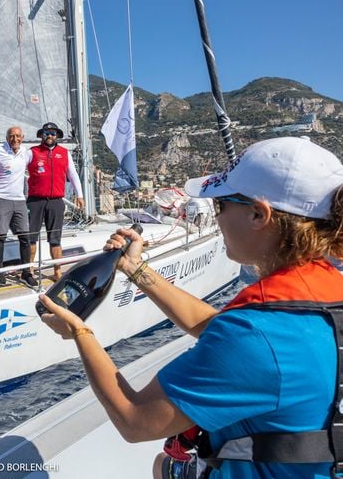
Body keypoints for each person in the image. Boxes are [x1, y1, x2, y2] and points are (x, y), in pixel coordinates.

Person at [39, 136, 343, 478]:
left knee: (161, 465)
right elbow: (215, 326)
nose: (217, 216)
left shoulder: (256, 333)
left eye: (221, 205)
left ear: (259, 214)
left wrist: (79, 332)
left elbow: (135, 420)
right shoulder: (317, 299)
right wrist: (135, 269)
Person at [27, 122, 84, 281]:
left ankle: (57, 271)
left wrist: (79, 195)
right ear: (42, 135)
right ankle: (29, 270)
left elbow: (73, 175)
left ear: (57, 135)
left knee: (55, 239)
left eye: (52, 133)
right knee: (31, 237)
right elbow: (17, 170)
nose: (50, 136)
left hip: (56, 201)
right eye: (46, 133)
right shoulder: (32, 152)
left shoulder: (64, 153)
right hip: (35, 201)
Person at [0, 126, 35, 288]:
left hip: (19, 199)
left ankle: (26, 272)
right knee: (0, 235)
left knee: (24, 237)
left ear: (22, 137)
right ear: (6, 137)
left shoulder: (26, 152)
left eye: (18, 136)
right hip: (1, 198)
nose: (15, 139)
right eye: (11, 136)